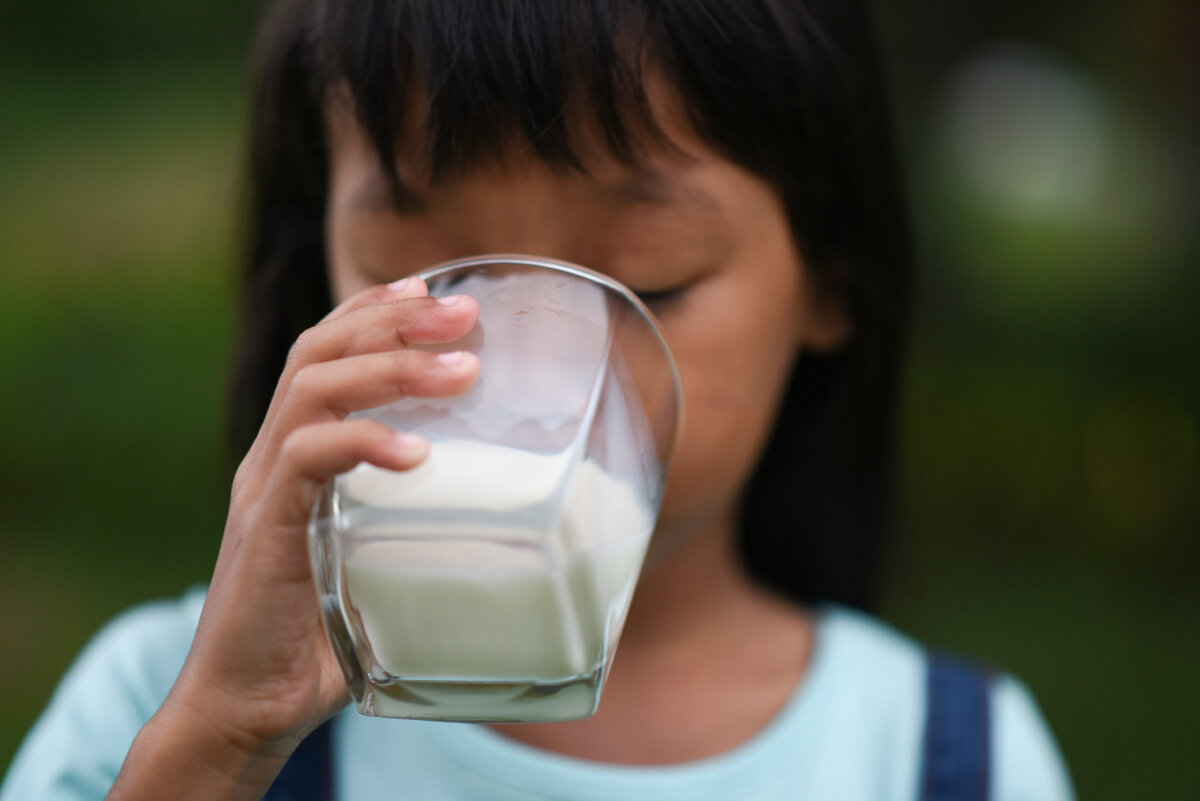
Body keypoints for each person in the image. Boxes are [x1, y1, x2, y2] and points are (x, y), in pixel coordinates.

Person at [1, 1, 1075, 799]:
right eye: (418, 272)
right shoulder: (164, 701)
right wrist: (219, 746)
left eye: (648, 280)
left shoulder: (948, 759)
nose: (522, 378)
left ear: (829, 280)